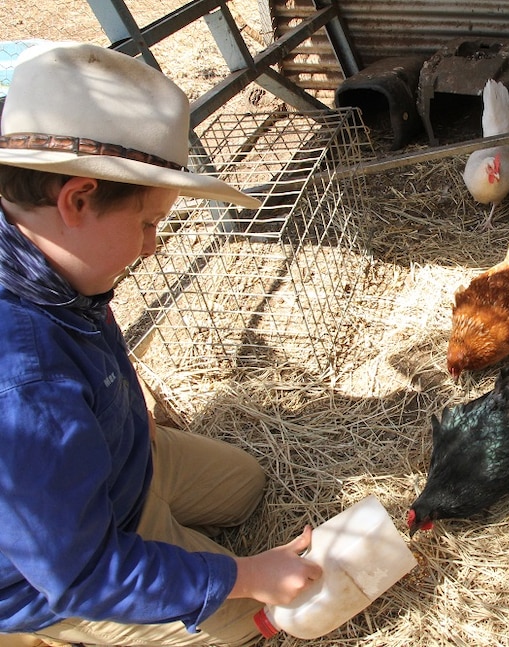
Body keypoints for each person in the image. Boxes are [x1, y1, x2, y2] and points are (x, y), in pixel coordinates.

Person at [0, 41, 322, 647]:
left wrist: (124, 398)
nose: (152, 246)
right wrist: (249, 575)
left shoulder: (45, 255)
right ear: (77, 199)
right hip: (51, 573)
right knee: (256, 627)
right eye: (147, 224)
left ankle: (160, 528)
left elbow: (88, 326)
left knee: (248, 485)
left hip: (118, 462)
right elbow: (79, 571)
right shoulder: (25, 382)